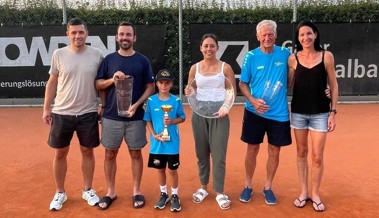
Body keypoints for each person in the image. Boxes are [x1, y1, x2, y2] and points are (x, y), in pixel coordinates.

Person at [42, 17, 103, 211]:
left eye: (81, 32)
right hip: (62, 112)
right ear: (68, 34)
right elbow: (52, 82)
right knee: (60, 152)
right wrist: (46, 108)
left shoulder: (97, 54)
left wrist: (102, 104)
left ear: (87, 34)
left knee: (87, 151)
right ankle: (60, 192)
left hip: (88, 112)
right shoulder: (58, 54)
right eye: (74, 32)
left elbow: (101, 83)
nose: (78, 35)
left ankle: (87, 189)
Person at [95, 21, 155, 210]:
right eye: (121, 34)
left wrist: (137, 105)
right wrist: (112, 80)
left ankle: (137, 191)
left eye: (128, 34)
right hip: (111, 116)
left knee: (135, 153)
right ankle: (110, 192)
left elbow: (150, 86)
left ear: (134, 38)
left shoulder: (143, 60)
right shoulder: (109, 60)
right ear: (116, 37)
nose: (125, 37)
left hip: (135, 118)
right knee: (109, 153)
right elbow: (98, 84)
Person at [238, 20, 292, 206]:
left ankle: (268, 187)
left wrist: (323, 88)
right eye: (263, 35)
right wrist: (253, 101)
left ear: (276, 35)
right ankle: (248, 185)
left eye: (270, 34)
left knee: (274, 150)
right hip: (254, 112)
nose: (267, 38)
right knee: (252, 148)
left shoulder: (286, 54)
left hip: (279, 113)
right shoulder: (251, 57)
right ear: (257, 36)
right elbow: (242, 83)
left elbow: (304, 71)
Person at [288, 20, 338, 212]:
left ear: (315, 35)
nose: (305, 38)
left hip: (321, 113)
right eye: (301, 35)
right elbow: (289, 84)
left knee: (317, 157)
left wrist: (333, 112)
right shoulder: (292, 59)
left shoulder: (327, 56)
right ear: (298, 38)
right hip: (299, 112)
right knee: (301, 153)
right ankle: (303, 192)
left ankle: (315, 193)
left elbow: (333, 85)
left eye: (309, 33)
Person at [185, 33, 237, 210]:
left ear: (217, 47)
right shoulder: (194, 68)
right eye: (205, 46)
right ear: (201, 48)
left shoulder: (226, 68)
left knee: (219, 155)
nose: (208, 49)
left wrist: (225, 107)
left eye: (212, 46)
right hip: (199, 115)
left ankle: (220, 191)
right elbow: (191, 90)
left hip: (220, 115)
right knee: (201, 154)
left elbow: (231, 92)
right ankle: (203, 187)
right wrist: (188, 92)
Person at [143, 69, 186, 212]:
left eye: (167, 83)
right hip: (157, 144)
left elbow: (182, 117)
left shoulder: (176, 100)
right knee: (160, 169)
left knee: (172, 171)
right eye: (161, 82)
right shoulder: (151, 100)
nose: (164, 86)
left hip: (172, 144)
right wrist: (154, 135)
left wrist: (172, 121)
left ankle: (174, 195)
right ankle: (163, 194)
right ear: (156, 84)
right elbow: (147, 119)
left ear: (171, 84)